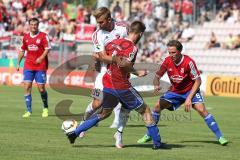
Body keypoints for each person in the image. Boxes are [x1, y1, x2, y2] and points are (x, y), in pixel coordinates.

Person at [66, 21, 163, 149]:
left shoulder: (113, 43)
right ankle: (157, 143)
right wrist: (137, 72)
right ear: (140, 34)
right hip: (122, 86)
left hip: (108, 83)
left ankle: (75, 133)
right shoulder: (132, 47)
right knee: (145, 110)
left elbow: (99, 55)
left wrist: (99, 64)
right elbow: (125, 64)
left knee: (104, 114)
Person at [137, 40, 228, 146]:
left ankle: (220, 137)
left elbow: (198, 81)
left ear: (180, 51)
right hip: (175, 91)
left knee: (201, 110)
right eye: (169, 52)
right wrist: (156, 84)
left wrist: (189, 98)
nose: (171, 55)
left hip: (190, 90)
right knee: (157, 106)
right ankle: (149, 134)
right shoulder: (167, 61)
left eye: (173, 52)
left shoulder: (188, 62)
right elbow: (157, 76)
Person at [80, 7, 129, 147]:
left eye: (101, 22)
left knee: (124, 104)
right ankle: (84, 121)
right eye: (97, 22)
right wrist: (114, 59)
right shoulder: (97, 35)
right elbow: (101, 56)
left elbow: (131, 44)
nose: (99, 25)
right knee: (97, 103)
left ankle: (119, 134)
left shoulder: (123, 28)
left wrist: (127, 63)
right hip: (103, 72)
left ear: (109, 19)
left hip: (121, 73)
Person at [16, 17, 51, 118]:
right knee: (27, 87)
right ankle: (28, 110)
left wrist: (41, 58)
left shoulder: (44, 36)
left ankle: (45, 108)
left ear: (38, 25)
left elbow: (47, 49)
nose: (33, 26)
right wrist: (18, 63)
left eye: (35, 25)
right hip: (28, 66)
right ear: (29, 25)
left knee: (41, 89)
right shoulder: (26, 37)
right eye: (31, 24)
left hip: (40, 66)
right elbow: (22, 50)